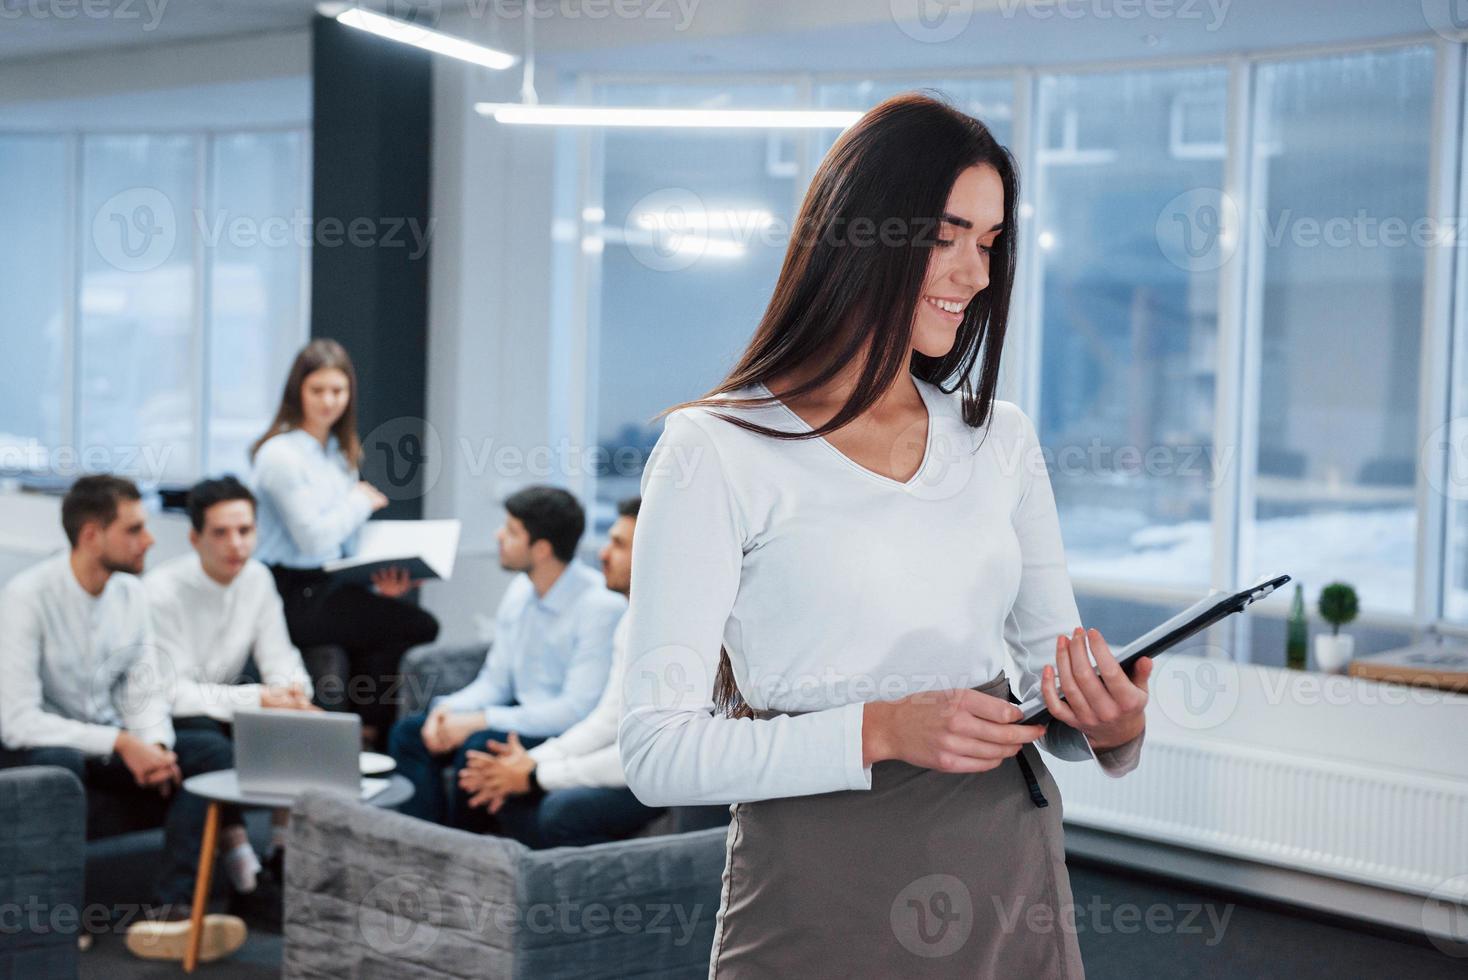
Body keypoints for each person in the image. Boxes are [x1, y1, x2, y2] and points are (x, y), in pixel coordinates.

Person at [618, 93, 1149, 978]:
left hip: (1006, 868)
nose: (975, 273)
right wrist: (880, 729)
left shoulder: (1000, 438)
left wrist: (1110, 722)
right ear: (859, 234)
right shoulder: (713, 448)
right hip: (822, 887)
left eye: (989, 242)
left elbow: (1045, 689)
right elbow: (657, 752)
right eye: (946, 236)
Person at [0, 475, 248, 963]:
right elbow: (17, 720)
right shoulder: (28, 595)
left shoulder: (131, 594)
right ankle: (54, 913)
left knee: (209, 753)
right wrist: (119, 742)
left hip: (113, 746)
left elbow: (146, 689)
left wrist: (153, 745)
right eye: (135, 529)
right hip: (49, 744)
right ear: (92, 534)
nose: (150, 539)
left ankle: (172, 913)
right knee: (55, 763)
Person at [389, 485, 625, 828]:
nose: (499, 536)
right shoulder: (520, 591)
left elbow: (575, 711)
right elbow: (495, 681)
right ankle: (423, 840)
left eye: (512, 532)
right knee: (409, 732)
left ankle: (465, 854)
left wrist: (481, 720)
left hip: (563, 730)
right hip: (522, 714)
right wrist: (447, 710)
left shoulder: (600, 607)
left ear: (541, 549)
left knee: (478, 745)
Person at [249, 338, 439, 750]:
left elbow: (343, 543)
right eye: (317, 390)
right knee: (416, 625)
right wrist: (358, 501)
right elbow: (312, 536)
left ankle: (365, 733)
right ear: (297, 391)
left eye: (338, 390)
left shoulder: (337, 452)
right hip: (291, 590)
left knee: (402, 617)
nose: (329, 401)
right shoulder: (279, 455)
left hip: (332, 580)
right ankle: (368, 731)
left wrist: (377, 580)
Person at [145, 475, 319, 905]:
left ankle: (280, 856)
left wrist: (293, 694)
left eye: (245, 531)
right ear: (194, 537)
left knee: (294, 718)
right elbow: (171, 694)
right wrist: (259, 697)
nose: (236, 544)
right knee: (208, 740)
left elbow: (281, 657)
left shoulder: (257, 578)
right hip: (171, 715)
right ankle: (241, 872)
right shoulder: (162, 591)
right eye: (220, 533)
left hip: (224, 703)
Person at [456, 497, 664, 847]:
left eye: (618, 545)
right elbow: (605, 724)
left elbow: (645, 754)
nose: (601, 553)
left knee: (559, 810)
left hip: (660, 776)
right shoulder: (631, 620)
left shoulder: (665, 631)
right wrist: (526, 763)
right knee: (498, 770)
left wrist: (537, 775)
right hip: (621, 757)